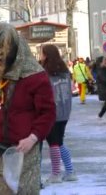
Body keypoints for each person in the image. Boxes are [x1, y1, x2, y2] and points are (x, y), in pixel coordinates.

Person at [0, 22, 55, 194]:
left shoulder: (34, 76)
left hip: (24, 149)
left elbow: (47, 113)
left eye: (5, 47)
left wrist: (33, 138)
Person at [40, 44, 77, 184]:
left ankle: (56, 174)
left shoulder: (46, 72)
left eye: (42, 53)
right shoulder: (64, 70)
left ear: (47, 55)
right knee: (59, 142)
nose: (41, 56)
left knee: (53, 143)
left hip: (52, 110)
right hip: (65, 109)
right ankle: (70, 171)